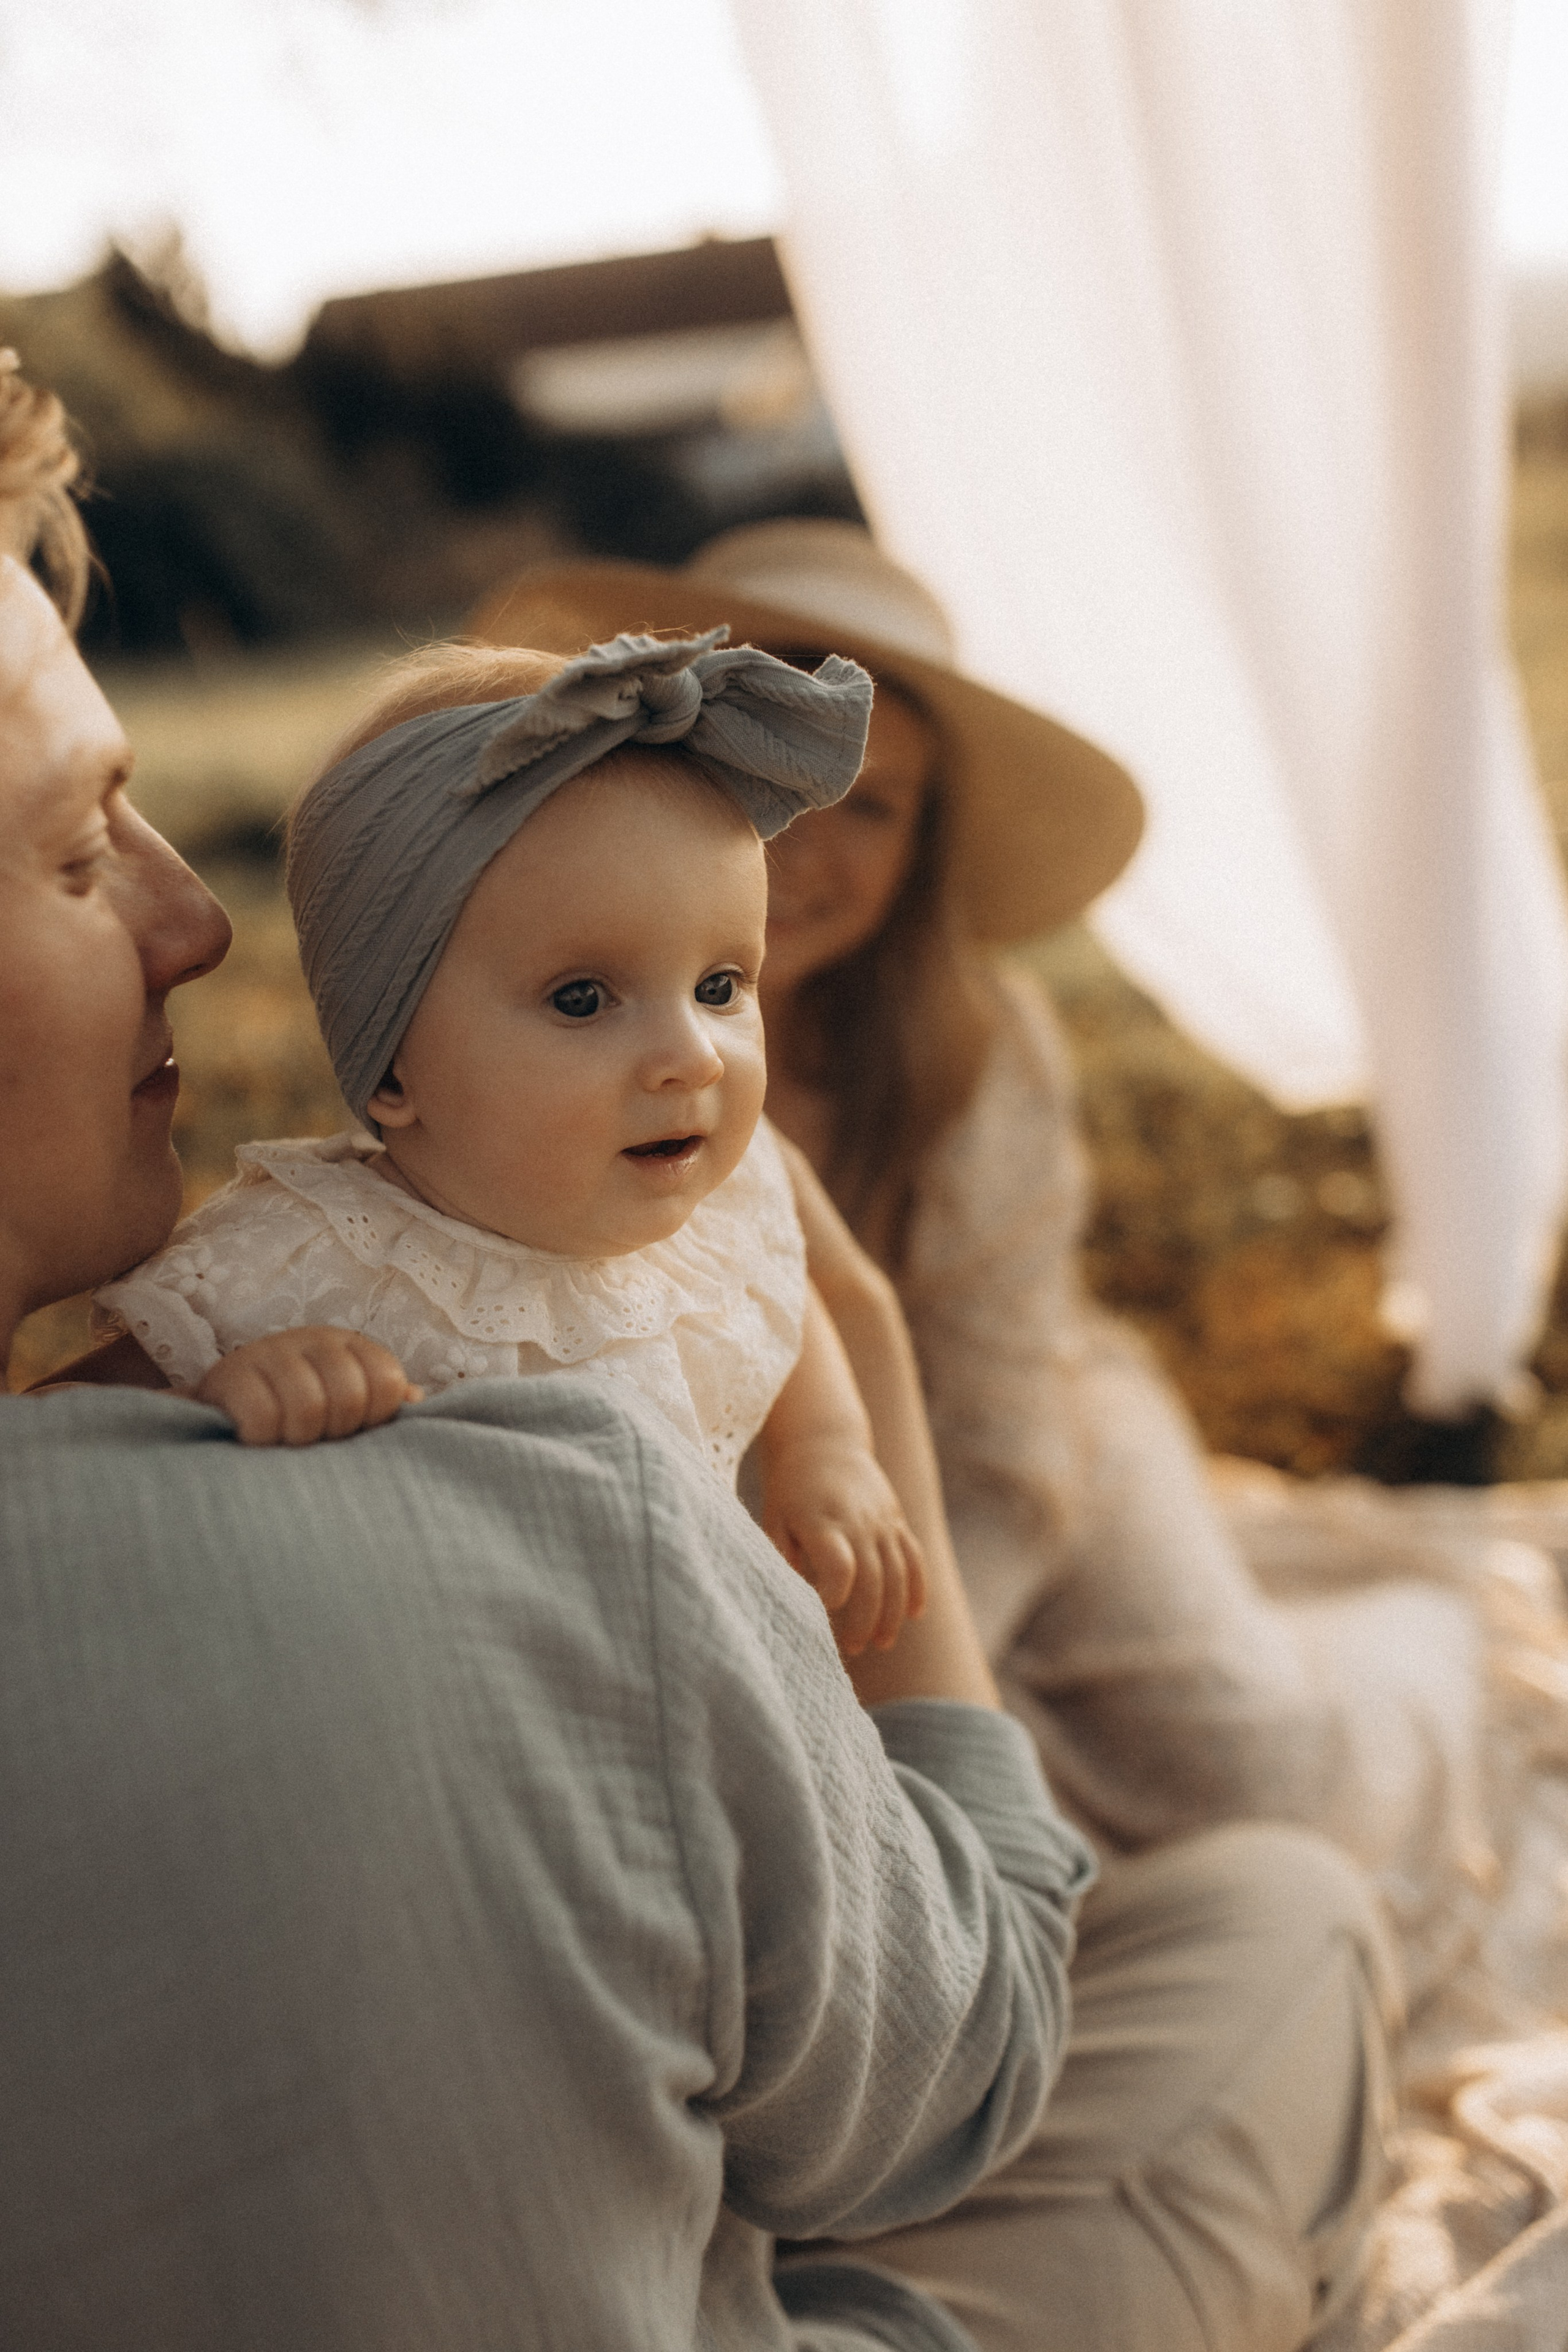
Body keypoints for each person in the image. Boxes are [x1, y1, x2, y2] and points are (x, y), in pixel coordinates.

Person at [2, 363, 1394, 2352]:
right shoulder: (540, 1497)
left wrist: (847, 1440)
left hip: (898, 1558)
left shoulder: (953, 1071)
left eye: (716, 981)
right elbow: (953, 2090)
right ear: (399, 1054)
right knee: (1276, 1912)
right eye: (70, 853)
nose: (191, 926)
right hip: (793, 2094)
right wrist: (869, 1417)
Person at [472, 522, 1488, 1992]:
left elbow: (1004, 1437)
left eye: (875, 808)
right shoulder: (530, 1010)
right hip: (762, 1471)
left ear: (925, 851)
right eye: (777, 770)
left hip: (1014, 1435)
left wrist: (894, 1667)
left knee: (1248, 1776)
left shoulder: (971, 1053)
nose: (816, 846)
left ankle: (1415, 1655)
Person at [89, 628, 924, 1653]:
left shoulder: (726, 1203)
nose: (692, 1058)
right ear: (393, 1068)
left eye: (719, 988)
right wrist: (219, 1398)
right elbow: (49, 1447)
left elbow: (781, 1297)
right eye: (582, 998)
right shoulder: (311, 1260)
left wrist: (826, 1450)